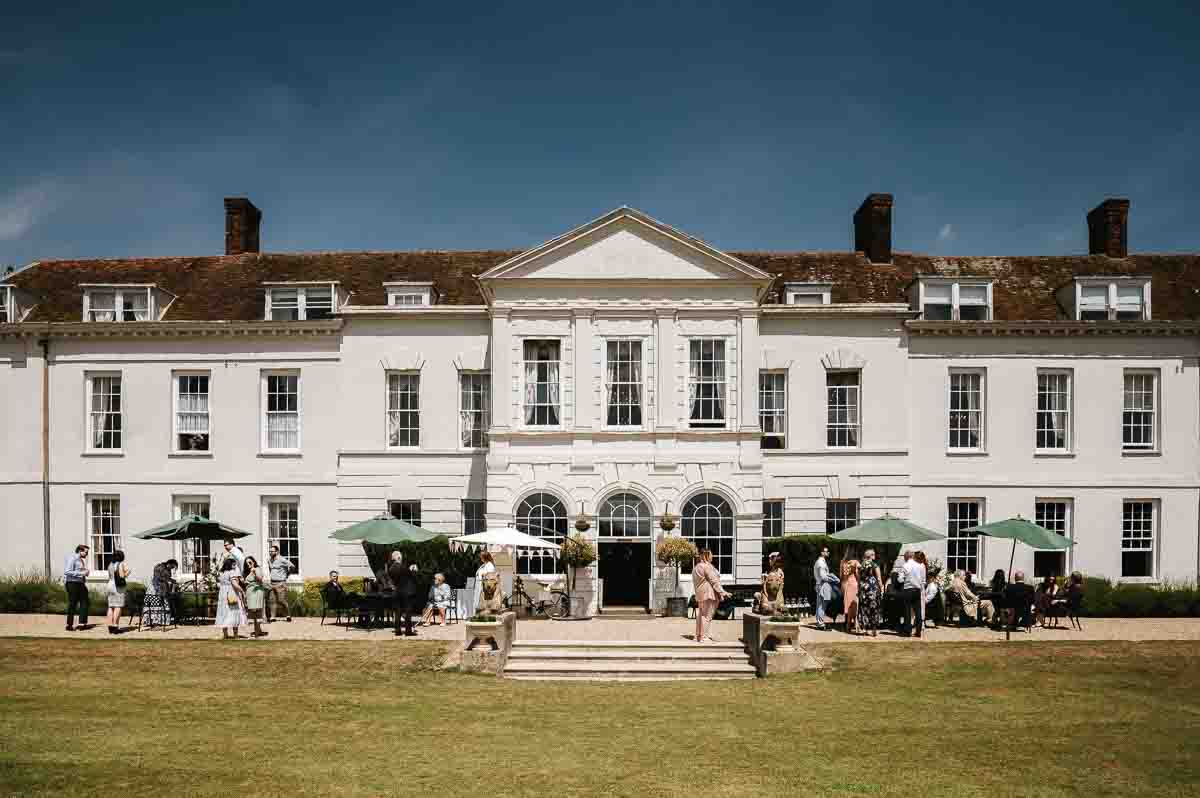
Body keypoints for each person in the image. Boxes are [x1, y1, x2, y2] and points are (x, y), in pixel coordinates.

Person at [691, 548, 727, 643]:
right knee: (707, 616)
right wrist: (723, 592)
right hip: (709, 594)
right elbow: (714, 581)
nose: (712, 556)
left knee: (701, 615)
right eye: (711, 555)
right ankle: (704, 637)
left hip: (700, 594)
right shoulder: (707, 567)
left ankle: (698, 636)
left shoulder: (696, 568)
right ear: (706, 556)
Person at [215, 556, 247, 639]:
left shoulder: (222, 573)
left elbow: (219, 584)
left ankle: (225, 634)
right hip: (231, 593)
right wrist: (242, 591)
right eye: (234, 565)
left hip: (223, 594)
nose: (235, 566)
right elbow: (235, 584)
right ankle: (235, 635)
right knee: (234, 612)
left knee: (223, 613)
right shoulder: (232, 572)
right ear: (230, 565)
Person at [388, 551, 419, 636]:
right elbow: (411, 577)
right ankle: (408, 631)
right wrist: (414, 570)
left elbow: (400, 578)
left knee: (398, 612)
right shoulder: (402, 567)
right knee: (408, 611)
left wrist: (409, 569)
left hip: (398, 592)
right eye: (401, 557)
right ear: (398, 558)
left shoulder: (390, 569)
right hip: (407, 592)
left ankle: (398, 630)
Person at [63, 544, 91, 631]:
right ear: (80, 551)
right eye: (86, 552)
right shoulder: (72, 558)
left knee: (85, 601)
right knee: (73, 604)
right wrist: (82, 573)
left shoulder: (81, 560)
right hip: (72, 583)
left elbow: (79, 570)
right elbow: (67, 571)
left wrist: (85, 572)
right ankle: (69, 625)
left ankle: (82, 623)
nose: (87, 554)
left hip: (80, 583)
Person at [856, 549, 883, 637]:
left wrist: (859, 589)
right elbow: (879, 578)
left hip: (864, 589)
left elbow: (859, 579)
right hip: (873, 589)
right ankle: (874, 630)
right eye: (873, 554)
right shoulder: (875, 565)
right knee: (874, 608)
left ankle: (865, 629)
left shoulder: (861, 565)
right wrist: (881, 588)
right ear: (871, 556)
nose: (874, 555)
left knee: (864, 608)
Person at [144, 558, 178, 626]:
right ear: (169, 564)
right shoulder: (159, 567)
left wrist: (173, 580)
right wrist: (168, 581)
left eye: (173, 568)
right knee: (158, 603)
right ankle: (154, 620)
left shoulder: (168, 569)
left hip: (164, 588)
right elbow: (157, 577)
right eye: (172, 566)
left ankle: (163, 620)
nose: (172, 568)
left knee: (165, 603)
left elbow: (167, 578)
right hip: (156, 587)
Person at [813, 546, 840, 631]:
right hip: (822, 585)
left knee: (820, 605)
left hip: (821, 584)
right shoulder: (821, 562)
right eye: (826, 551)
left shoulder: (821, 562)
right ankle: (820, 624)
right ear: (822, 552)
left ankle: (819, 623)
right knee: (822, 605)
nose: (828, 553)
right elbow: (823, 576)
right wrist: (834, 579)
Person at [901, 551, 927, 637]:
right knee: (918, 611)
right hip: (917, 589)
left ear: (906, 557)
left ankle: (907, 631)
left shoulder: (905, 565)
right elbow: (923, 580)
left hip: (908, 589)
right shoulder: (920, 565)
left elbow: (900, 579)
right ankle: (918, 631)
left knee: (907, 611)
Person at [266, 544, 294, 623]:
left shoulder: (282, 560)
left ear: (277, 552)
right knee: (272, 600)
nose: (270, 552)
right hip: (272, 582)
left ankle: (288, 615)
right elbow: (270, 569)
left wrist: (287, 574)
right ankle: (273, 617)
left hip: (281, 582)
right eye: (270, 551)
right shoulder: (269, 560)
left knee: (281, 600)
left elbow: (292, 566)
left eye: (272, 551)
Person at [242, 556, 268, 638]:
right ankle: (258, 630)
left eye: (250, 562)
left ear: (254, 562)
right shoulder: (246, 571)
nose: (248, 564)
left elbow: (260, 579)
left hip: (257, 591)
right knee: (253, 611)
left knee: (256, 611)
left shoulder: (257, 569)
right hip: (249, 592)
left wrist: (254, 572)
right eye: (247, 563)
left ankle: (257, 632)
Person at [105, 550, 130, 634]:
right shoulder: (121, 564)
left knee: (110, 606)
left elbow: (110, 575)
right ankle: (115, 626)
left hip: (110, 585)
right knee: (118, 606)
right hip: (118, 586)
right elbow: (122, 575)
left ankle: (110, 626)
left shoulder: (110, 564)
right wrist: (127, 573)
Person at [840, 551, 860, 634]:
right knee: (855, 604)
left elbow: (841, 576)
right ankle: (856, 624)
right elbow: (858, 575)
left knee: (847, 605)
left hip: (845, 584)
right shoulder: (855, 562)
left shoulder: (842, 562)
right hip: (853, 584)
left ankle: (847, 625)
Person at [471, 551, 496, 616]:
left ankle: (480, 615)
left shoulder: (490, 565)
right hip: (478, 584)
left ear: (485, 557)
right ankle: (476, 615)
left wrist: (483, 574)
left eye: (481, 557)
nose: (480, 558)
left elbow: (490, 575)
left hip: (483, 585)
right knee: (477, 600)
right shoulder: (483, 565)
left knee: (481, 601)